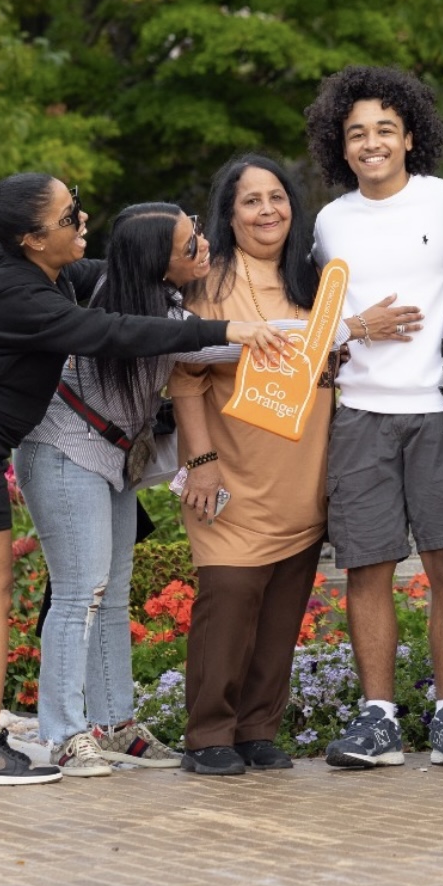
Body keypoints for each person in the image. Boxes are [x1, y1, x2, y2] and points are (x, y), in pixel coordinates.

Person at [0, 173, 289, 787]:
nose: (83, 224)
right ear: (31, 239)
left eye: (78, 207)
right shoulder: (29, 300)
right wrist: (226, 328)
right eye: (69, 219)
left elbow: (128, 282)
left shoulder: (33, 271)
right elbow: (113, 332)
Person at [15, 201, 249, 778]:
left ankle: (115, 724)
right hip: (64, 450)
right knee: (78, 593)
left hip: (112, 457)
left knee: (110, 591)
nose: (204, 247)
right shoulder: (130, 317)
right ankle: (64, 734)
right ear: (155, 262)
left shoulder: (159, 305)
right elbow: (218, 345)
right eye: (190, 244)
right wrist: (325, 333)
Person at [307, 65, 443, 770]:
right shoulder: (329, 222)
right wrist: (360, 325)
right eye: (357, 133)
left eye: (385, 128)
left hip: (438, 412)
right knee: (367, 567)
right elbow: (318, 326)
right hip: (359, 415)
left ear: (410, 135)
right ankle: (378, 716)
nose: (372, 143)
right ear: (341, 146)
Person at [169, 155, 345, 777]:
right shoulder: (209, 284)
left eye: (277, 197)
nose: (268, 210)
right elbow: (185, 381)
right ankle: (208, 734)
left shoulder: (317, 280)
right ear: (229, 213)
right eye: (251, 201)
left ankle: (256, 729)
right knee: (231, 595)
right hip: (230, 473)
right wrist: (203, 462)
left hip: (303, 475)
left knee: (279, 611)